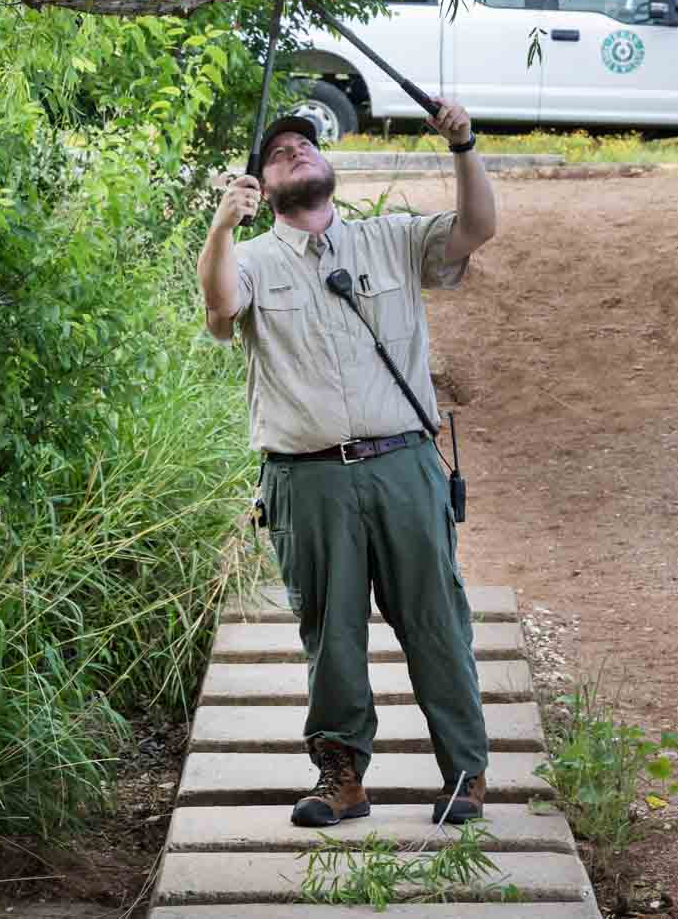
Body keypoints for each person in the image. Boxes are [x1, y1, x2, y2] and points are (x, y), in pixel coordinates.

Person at [198, 101, 497, 828]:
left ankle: (465, 772)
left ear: (330, 168)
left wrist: (464, 144)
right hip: (307, 479)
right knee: (330, 631)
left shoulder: (389, 239)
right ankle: (342, 778)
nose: (296, 151)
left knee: (435, 619)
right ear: (262, 187)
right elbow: (217, 306)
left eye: (306, 143)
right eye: (278, 153)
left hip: (404, 466)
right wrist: (220, 227)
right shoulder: (254, 260)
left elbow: (477, 228)